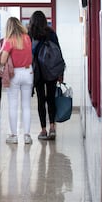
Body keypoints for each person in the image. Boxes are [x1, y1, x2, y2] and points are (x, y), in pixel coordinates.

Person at [28, 10, 63, 140]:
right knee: (51, 99)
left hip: (37, 72)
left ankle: (43, 130)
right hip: (51, 70)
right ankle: (52, 127)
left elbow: (28, 54)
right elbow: (58, 51)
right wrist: (61, 71)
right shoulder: (51, 33)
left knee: (41, 100)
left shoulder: (30, 34)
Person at [0, 17, 33, 144]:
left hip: (14, 74)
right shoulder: (27, 38)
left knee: (13, 105)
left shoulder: (9, 41)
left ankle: (14, 135)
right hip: (28, 72)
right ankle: (27, 136)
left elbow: (2, 60)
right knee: (26, 105)